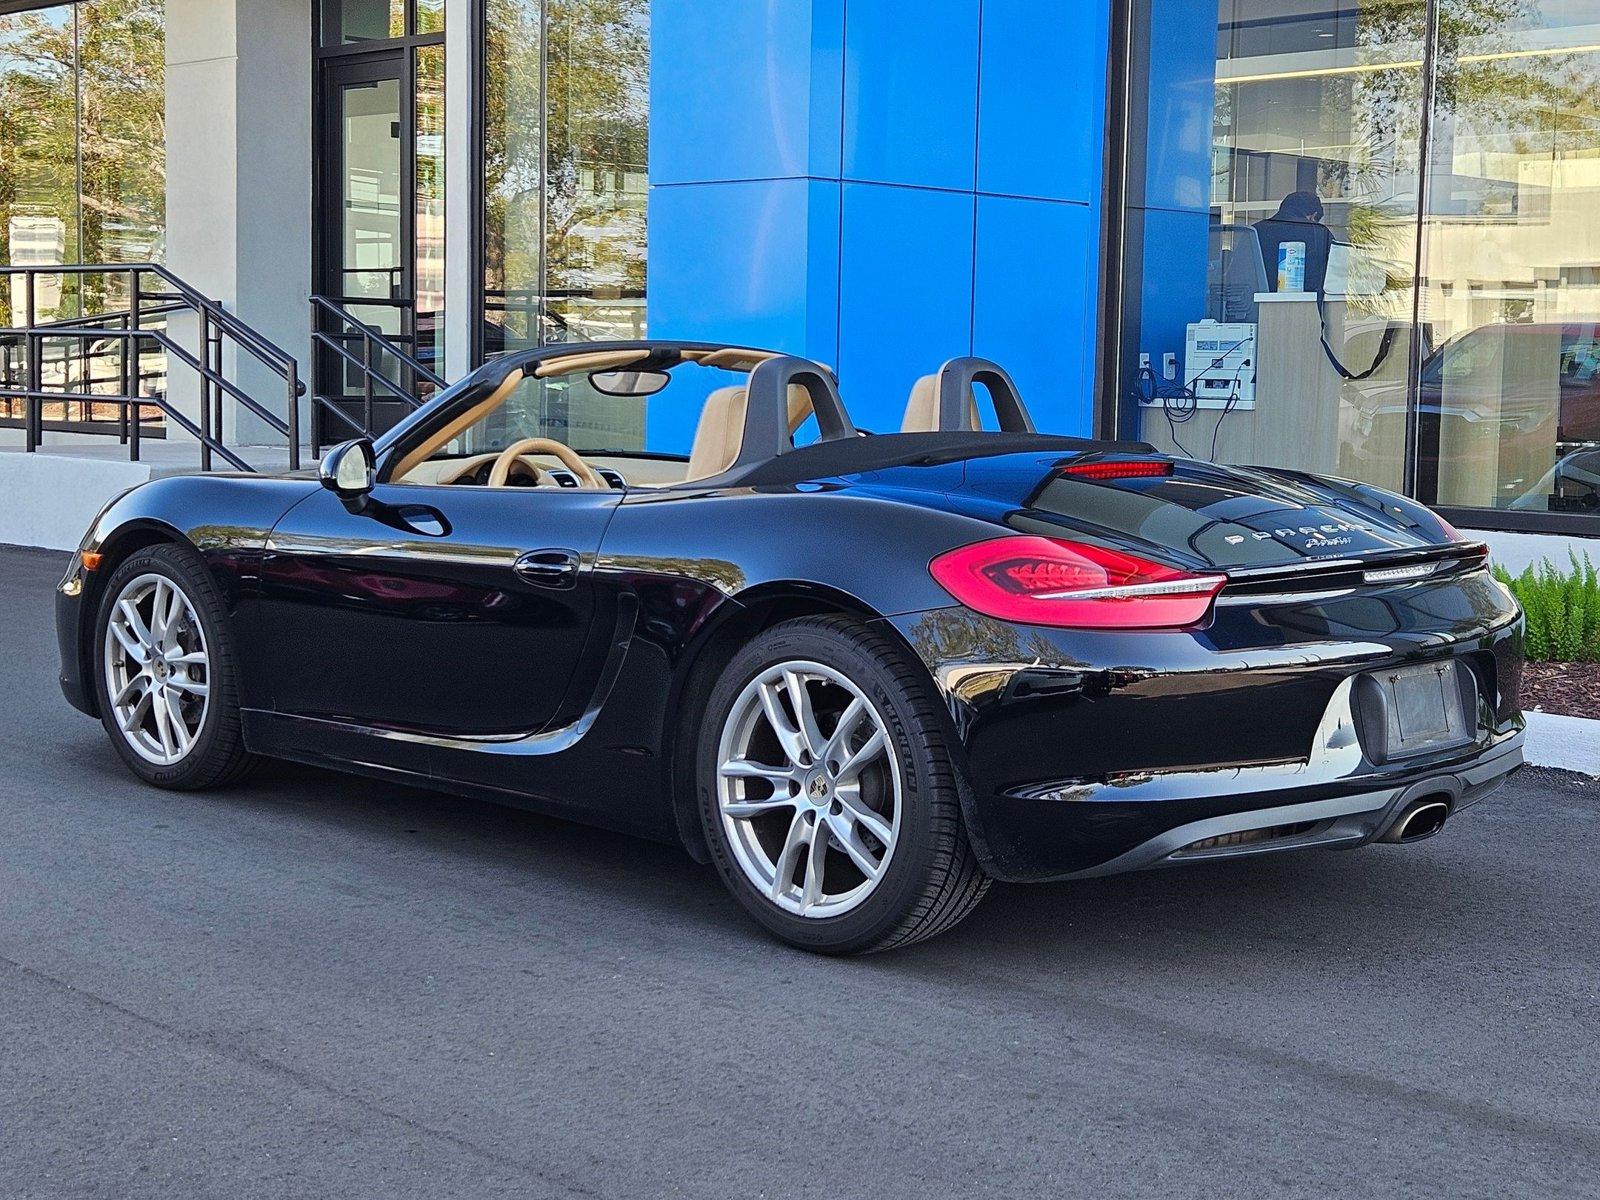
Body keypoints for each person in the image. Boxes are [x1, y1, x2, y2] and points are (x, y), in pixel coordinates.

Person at [1254, 190, 1333, 295]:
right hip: (1305, 304)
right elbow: (1335, 274)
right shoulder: (1319, 232)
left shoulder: (1255, 231)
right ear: (1313, 216)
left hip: (1255, 304)